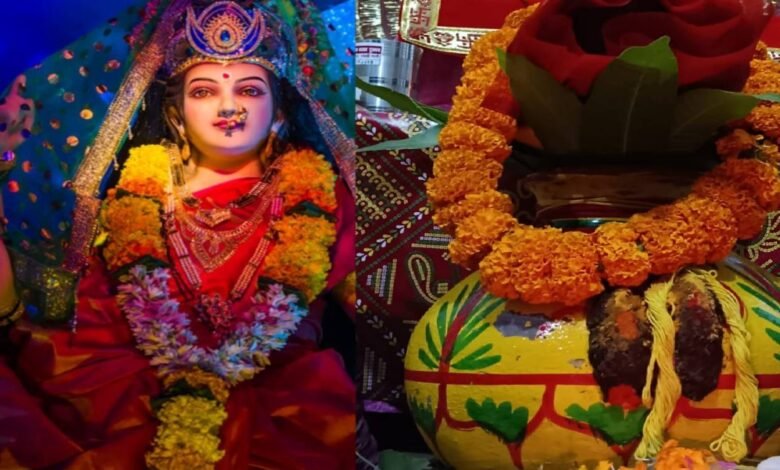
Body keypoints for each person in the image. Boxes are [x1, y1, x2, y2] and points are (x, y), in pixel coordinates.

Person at [0, 1, 356, 468]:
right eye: (204, 91)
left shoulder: (325, 200)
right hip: (132, 396)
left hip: (286, 407)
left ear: (279, 110)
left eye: (249, 90)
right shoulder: (130, 195)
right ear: (177, 111)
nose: (228, 106)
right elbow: (90, 313)